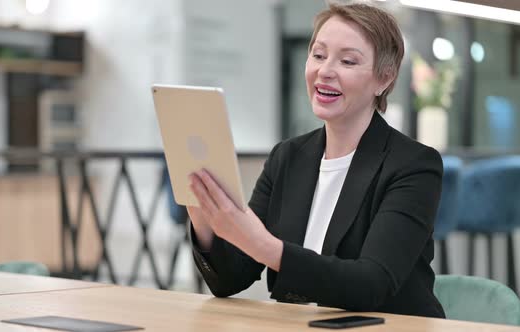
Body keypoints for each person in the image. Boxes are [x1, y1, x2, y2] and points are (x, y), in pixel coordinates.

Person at [187, 3, 445, 318]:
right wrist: (200, 209)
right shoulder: (288, 157)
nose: (324, 71)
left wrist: (265, 246)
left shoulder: (414, 165)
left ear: (384, 79)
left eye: (348, 61)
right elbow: (231, 278)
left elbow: (370, 284)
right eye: (318, 55)